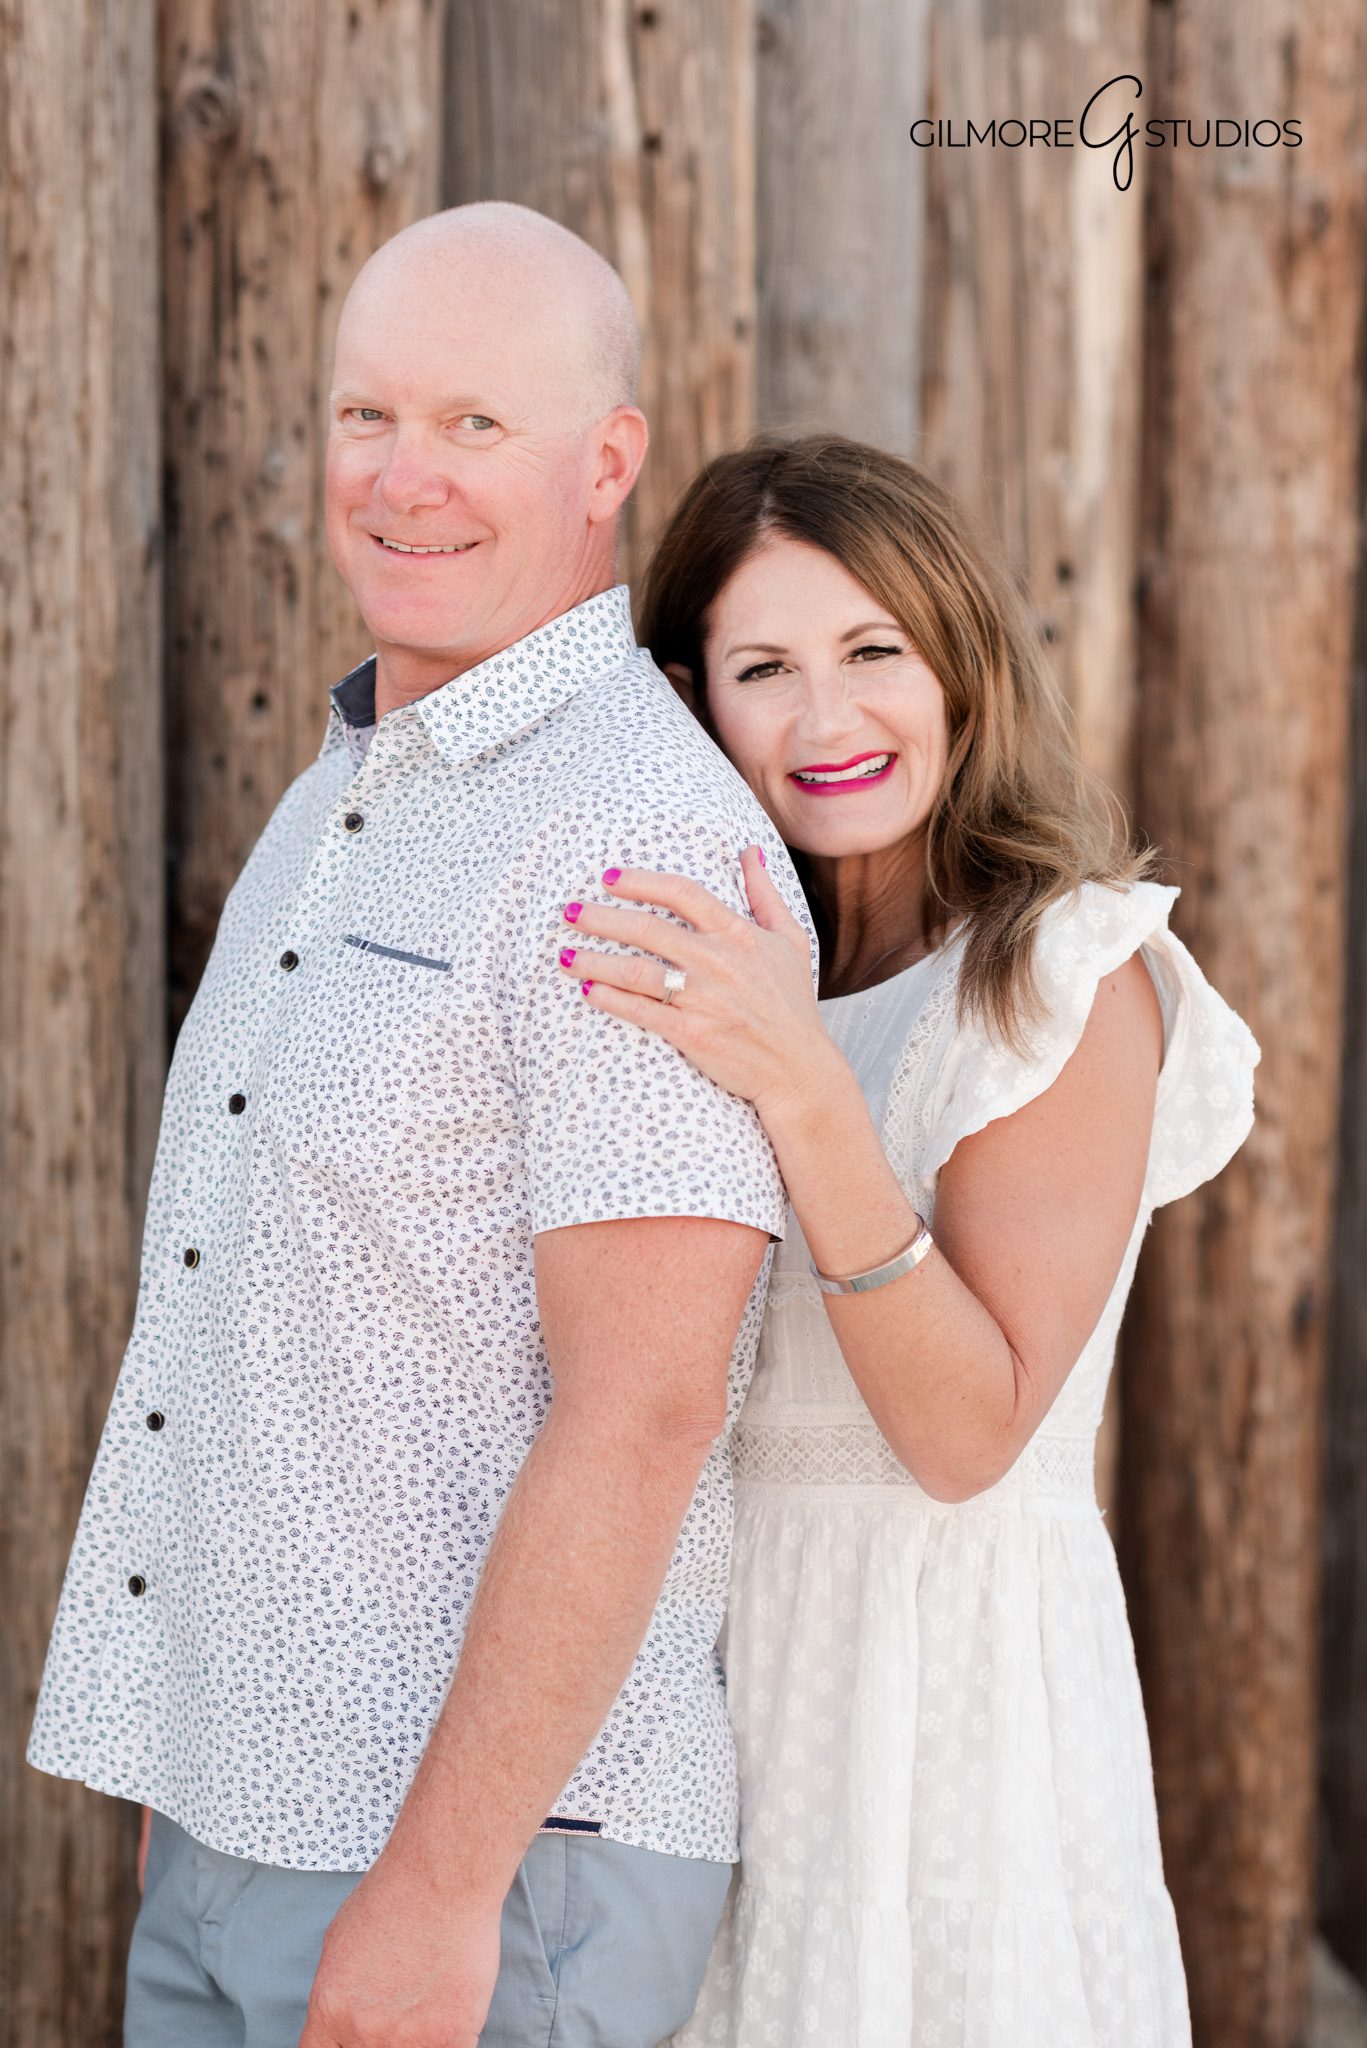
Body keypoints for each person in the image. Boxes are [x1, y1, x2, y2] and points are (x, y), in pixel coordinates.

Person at [26, 205, 818, 2048]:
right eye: (365, 415)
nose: (403, 478)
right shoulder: (345, 797)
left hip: (481, 1875)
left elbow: (643, 1411)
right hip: (240, 1816)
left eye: (475, 424)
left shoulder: (630, 837)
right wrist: (195, 1765)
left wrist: (445, 1888)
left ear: (606, 463)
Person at [551, 433, 1260, 2047]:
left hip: (945, 1706)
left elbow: (964, 1436)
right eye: (766, 670)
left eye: (874, 651)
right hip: (708, 1695)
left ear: (958, 657)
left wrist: (804, 1084)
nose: (828, 719)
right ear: (692, 701)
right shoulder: (728, 968)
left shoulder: (1060, 975)